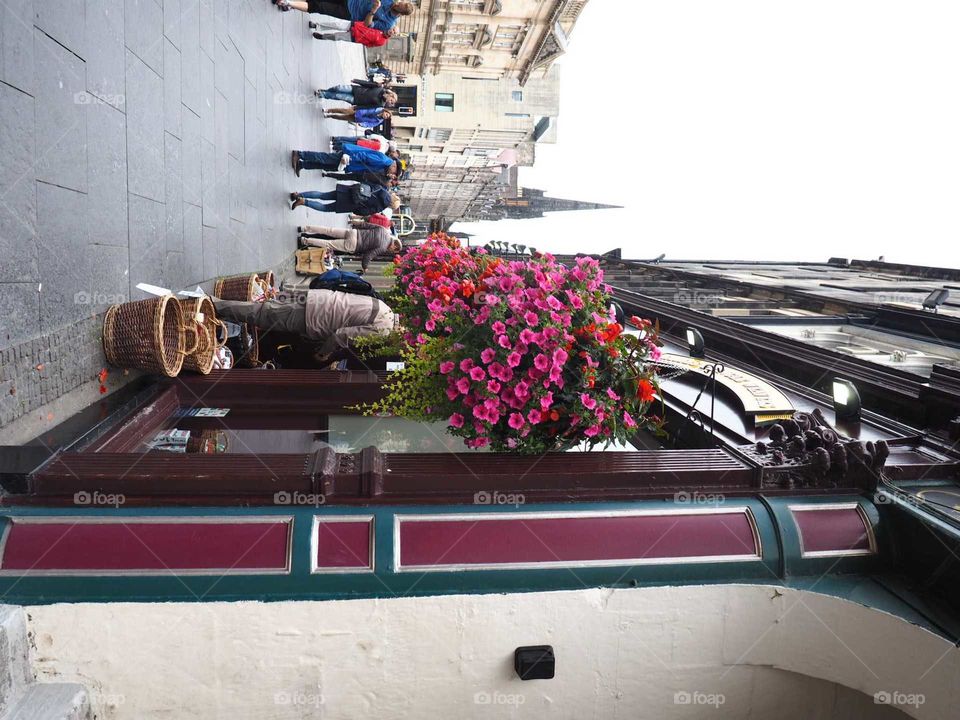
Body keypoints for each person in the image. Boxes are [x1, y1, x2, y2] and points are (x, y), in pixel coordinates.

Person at [213, 288, 396, 360]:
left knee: (265, 309)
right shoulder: (384, 330)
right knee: (262, 315)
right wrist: (323, 353)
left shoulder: (384, 306)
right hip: (314, 317)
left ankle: (219, 306)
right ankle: (216, 305)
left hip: (319, 298)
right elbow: (342, 335)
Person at [298, 223, 401, 273]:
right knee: (329, 244)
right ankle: (305, 240)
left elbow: (366, 225)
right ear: (394, 246)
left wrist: (356, 226)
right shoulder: (383, 247)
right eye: (393, 249)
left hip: (354, 233)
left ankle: (304, 228)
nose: (391, 250)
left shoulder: (383, 230)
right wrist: (365, 267)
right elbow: (368, 256)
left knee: (328, 230)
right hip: (354, 244)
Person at [289, 185, 398, 216]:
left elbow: (367, 184)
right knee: (324, 208)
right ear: (391, 206)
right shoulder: (379, 207)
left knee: (322, 195)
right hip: (350, 204)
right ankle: (303, 202)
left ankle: (298, 195)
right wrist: (356, 211)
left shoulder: (381, 189)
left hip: (349, 191)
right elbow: (364, 212)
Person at [292, 144, 397, 176]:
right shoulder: (383, 161)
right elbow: (364, 156)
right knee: (323, 158)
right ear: (394, 166)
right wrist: (350, 159)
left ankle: (302, 165)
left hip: (350, 164)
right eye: (394, 172)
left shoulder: (384, 166)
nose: (392, 174)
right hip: (348, 158)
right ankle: (300, 154)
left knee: (324, 166)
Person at [309, 18, 394, 47]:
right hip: (356, 25)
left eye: (393, 32)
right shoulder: (383, 26)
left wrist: (360, 39)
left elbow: (369, 45)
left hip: (355, 37)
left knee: (336, 37)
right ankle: (317, 25)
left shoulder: (382, 42)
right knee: (336, 24)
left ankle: (323, 37)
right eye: (393, 29)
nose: (391, 31)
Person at [316, 81, 397, 107]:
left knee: (338, 96)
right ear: (391, 95)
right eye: (391, 100)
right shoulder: (380, 88)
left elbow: (367, 107)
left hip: (356, 100)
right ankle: (327, 91)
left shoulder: (380, 104)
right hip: (356, 89)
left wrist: (357, 108)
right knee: (338, 88)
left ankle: (322, 94)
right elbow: (367, 84)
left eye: (391, 102)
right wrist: (357, 81)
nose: (390, 101)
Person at [323, 105, 391, 128]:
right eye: (387, 114)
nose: (385, 116)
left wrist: (362, 124)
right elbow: (368, 105)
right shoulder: (378, 107)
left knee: (342, 117)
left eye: (387, 117)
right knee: (343, 111)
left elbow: (369, 125)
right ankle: (328, 110)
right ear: (385, 111)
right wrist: (358, 106)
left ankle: (330, 116)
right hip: (358, 111)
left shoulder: (378, 121)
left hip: (358, 119)